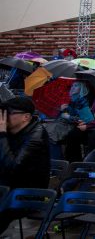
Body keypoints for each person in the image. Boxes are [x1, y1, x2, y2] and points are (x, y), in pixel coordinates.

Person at [0, 96, 51, 235]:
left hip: (28, 194)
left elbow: (13, 167)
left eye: (8, 113)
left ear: (26, 117)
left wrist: (2, 135)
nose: (3, 118)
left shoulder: (36, 135)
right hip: (7, 188)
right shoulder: (10, 132)